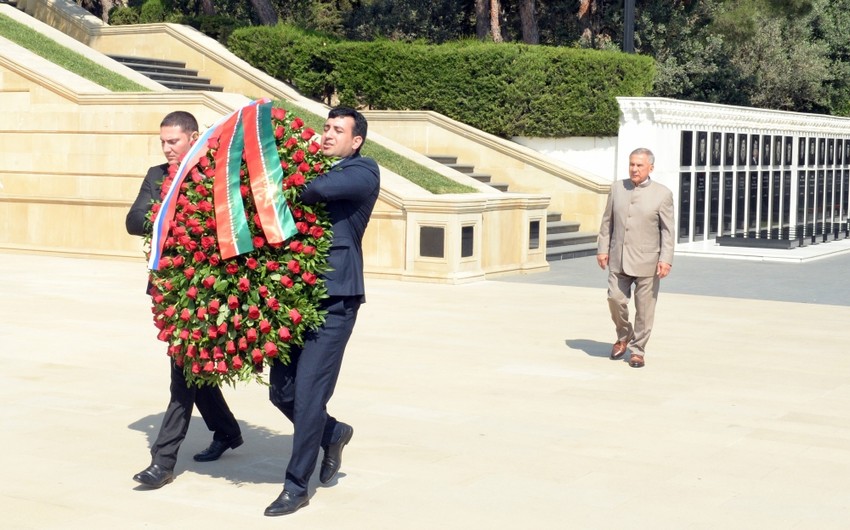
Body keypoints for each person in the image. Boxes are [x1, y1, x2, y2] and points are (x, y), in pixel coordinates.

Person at [264, 107, 380, 516]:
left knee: (310, 391)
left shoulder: (364, 170)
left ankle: (297, 486)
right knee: (283, 391)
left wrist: (288, 176)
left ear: (356, 140)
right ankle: (333, 432)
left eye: (338, 130)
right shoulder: (311, 165)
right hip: (296, 298)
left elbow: (315, 191)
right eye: (326, 128)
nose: (328, 134)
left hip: (336, 298)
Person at [127, 111, 243, 489]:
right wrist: (172, 210)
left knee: (183, 374)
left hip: (209, 290)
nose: (167, 148)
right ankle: (226, 431)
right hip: (173, 291)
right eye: (163, 141)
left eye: (173, 141)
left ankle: (162, 461)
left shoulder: (213, 174)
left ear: (193, 138)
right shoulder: (157, 175)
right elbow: (134, 220)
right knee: (193, 368)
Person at [596, 148, 674, 369]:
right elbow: (607, 222)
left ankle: (638, 350)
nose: (634, 169)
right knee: (615, 299)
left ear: (651, 167)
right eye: (631, 164)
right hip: (618, 258)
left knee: (644, 309)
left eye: (639, 165)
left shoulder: (663, 194)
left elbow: (668, 231)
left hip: (648, 262)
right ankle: (624, 334)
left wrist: (666, 259)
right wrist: (602, 248)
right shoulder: (617, 188)